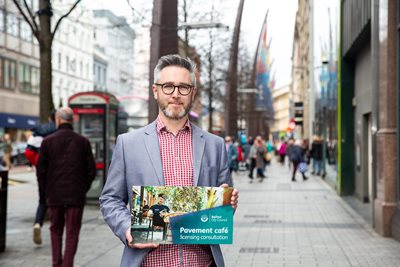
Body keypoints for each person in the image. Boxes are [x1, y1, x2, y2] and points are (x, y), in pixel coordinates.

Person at [99, 54, 239, 267]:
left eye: (183, 87)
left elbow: (220, 210)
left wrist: (228, 204)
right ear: (155, 91)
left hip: (201, 262)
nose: (175, 94)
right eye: (168, 86)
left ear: (192, 92)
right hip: (148, 262)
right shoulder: (128, 144)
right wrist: (128, 228)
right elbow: (110, 199)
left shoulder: (215, 145)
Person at [36, 107, 96, 267]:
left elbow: (40, 170)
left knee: (55, 229)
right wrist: (82, 188)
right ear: (72, 120)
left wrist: (46, 190)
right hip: (76, 195)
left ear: (58, 119)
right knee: (72, 231)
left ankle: (56, 263)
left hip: (54, 194)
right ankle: (67, 264)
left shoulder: (47, 142)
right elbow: (91, 170)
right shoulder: (82, 141)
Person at [28, 111, 57, 245]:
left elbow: (28, 152)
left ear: (49, 117)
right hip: (57, 170)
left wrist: (36, 163)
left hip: (42, 170)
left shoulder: (38, 131)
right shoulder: (59, 131)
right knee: (57, 201)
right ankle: (56, 229)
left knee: (42, 200)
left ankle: (38, 224)